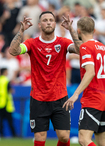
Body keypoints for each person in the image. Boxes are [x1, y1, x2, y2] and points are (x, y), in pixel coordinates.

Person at [9, 11, 81, 146]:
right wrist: (21, 30)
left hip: (60, 97)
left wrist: (71, 30)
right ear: (39, 25)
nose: (48, 22)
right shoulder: (32, 43)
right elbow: (13, 51)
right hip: (38, 98)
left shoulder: (63, 42)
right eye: (45, 20)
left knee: (64, 137)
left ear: (55, 23)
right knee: (40, 137)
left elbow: (80, 50)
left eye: (51, 20)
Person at [62, 16, 105, 146]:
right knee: (102, 141)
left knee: (83, 139)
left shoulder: (86, 48)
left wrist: (75, 94)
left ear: (79, 31)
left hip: (93, 99)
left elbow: (90, 72)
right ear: (94, 30)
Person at [0, 68, 16, 137]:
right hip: (6, 103)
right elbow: (10, 90)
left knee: (1, 121)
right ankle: (14, 135)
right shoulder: (6, 80)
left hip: (0, 103)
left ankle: (1, 134)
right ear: (4, 72)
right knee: (10, 121)